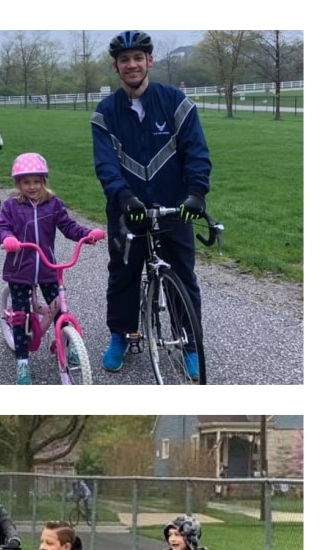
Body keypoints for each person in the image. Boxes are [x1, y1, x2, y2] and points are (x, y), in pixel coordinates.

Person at [92, 31, 212, 379]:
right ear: (116, 66)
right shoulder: (106, 111)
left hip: (174, 207)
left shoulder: (175, 101)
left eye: (138, 58)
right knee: (123, 275)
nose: (132, 64)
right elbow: (106, 164)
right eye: (125, 60)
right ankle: (120, 335)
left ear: (150, 61)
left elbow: (197, 153)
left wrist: (197, 194)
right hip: (127, 209)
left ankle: (189, 343)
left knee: (183, 277)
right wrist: (123, 196)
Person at [0, 153, 106, 384]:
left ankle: (67, 341)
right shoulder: (12, 206)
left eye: (37, 181)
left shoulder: (53, 204)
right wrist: (7, 239)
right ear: (19, 184)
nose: (32, 187)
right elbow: (2, 227)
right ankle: (23, 362)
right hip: (20, 270)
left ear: (44, 181)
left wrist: (87, 234)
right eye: (27, 182)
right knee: (21, 315)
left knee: (60, 306)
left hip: (47, 267)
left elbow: (68, 226)